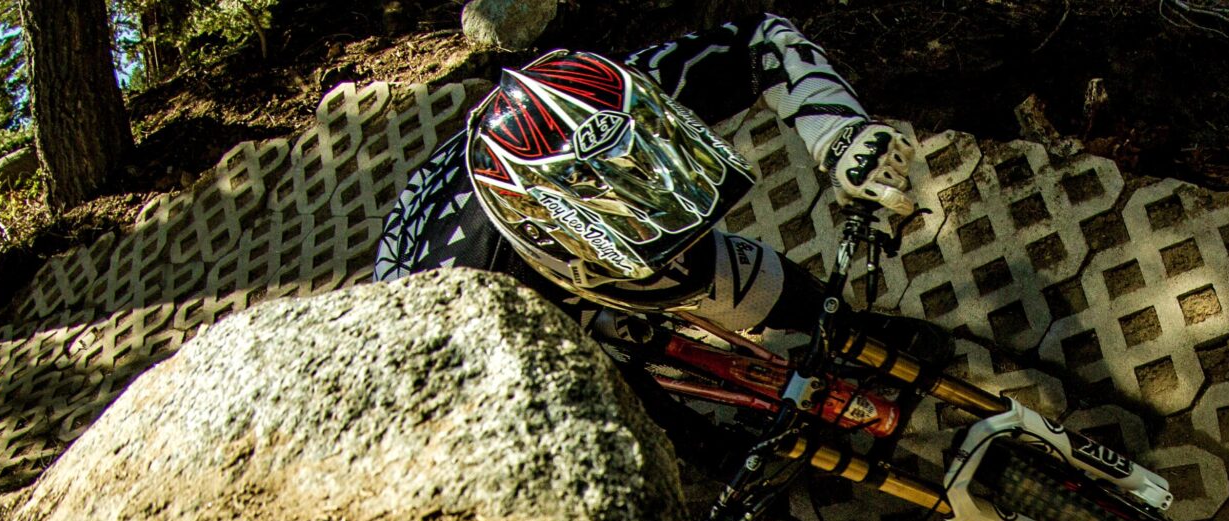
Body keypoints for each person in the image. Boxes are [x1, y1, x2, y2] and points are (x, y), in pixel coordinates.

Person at [374, 14, 917, 339]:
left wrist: (839, 134)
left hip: (534, 242)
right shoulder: (461, 301)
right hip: (477, 291)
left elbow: (764, 41)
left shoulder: (614, 94)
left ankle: (848, 334)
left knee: (727, 277)